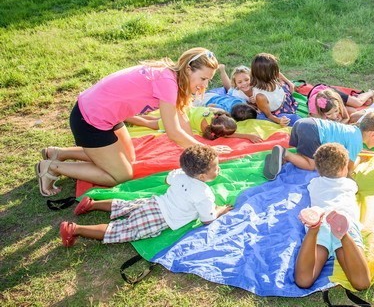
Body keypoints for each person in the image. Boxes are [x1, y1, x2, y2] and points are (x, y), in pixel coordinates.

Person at [35, 47, 232, 197]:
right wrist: (206, 150)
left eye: (208, 80)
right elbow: (173, 132)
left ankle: (58, 152)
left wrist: (199, 147)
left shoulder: (172, 76)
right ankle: (51, 167)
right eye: (203, 78)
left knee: (129, 160)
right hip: (90, 120)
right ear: (188, 69)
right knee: (121, 175)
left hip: (107, 117)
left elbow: (182, 119)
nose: (204, 85)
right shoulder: (167, 82)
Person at [58, 145, 233, 247]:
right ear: (202, 176)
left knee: (124, 205)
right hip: (159, 218)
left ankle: (92, 204)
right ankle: (76, 229)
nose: (219, 169)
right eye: (216, 167)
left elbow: (167, 180)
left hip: (154, 203)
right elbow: (207, 220)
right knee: (121, 229)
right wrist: (219, 210)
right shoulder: (204, 194)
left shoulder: (180, 173)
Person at [294, 143, 370, 290]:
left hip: (321, 217)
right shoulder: (349, 184)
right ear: (344, 168)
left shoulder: (314, 183)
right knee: (362, 283)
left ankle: (313, 229)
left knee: (303, 280)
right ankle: (344, 235)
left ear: (317, 168)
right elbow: (350, 176)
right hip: (343, 219)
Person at [262, 111, 374, 180]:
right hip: (312, 132)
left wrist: (371, 154)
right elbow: (348, 168)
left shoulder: (353, 131)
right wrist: (361, 158)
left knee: (305, 154)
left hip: (304, 124)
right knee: (312, 165)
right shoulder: (356, 141)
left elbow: (354, 150)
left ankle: (280, 158)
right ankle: (285, 154)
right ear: (373, 134)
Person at [126, 106, 262, 143]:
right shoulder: (205, 127)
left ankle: (131, 116)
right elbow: (224, 136)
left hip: (185, 111)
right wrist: (246, 135)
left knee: (154, 119)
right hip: (180, 118)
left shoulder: (217, 113)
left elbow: (211, 106)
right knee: (151, 124)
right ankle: (124, 117)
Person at [250, 53, 300, 127]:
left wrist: (290, 83)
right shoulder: (261, 96)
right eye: (275, 70)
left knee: (284, 85)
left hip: (283, 101)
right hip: (276, 113)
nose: (278, 71)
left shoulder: (270, 77)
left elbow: (278, 74)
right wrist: (279, 121)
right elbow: (269, 115)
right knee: (296, 120)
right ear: (266, 74)